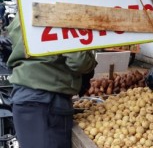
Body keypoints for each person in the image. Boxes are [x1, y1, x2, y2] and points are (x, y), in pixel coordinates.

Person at [6, 14, 97, 148]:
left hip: (22, 96)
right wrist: (90, 63)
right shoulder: (59, 11)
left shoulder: (24, 10)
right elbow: (79, 61)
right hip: (47, 102)